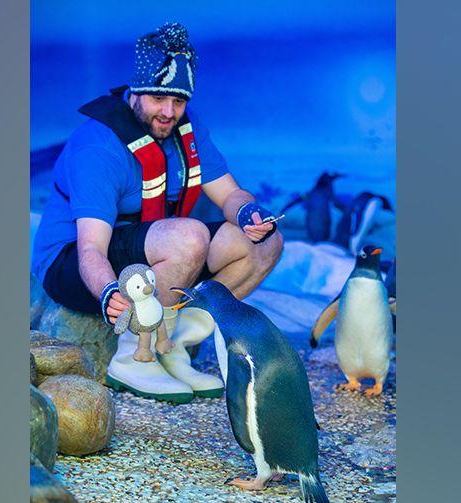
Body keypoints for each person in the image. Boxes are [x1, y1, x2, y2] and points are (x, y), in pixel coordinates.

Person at [31, 22, 283, 403]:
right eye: (158, 99)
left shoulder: (186, 127)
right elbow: (90, 250)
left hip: (155, 253)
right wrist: (107, 292)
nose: (168, 112)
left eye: (178, 101)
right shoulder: (98, 147)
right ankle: (134, 356)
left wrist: (248, 212)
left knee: (262, 244)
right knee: (190, 235)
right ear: (136, 91)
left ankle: (173, 346)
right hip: (72, 265)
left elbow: (229, 193)